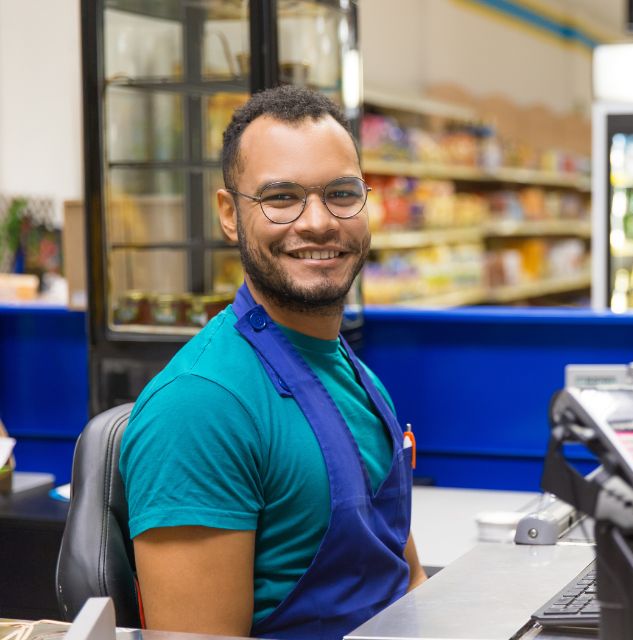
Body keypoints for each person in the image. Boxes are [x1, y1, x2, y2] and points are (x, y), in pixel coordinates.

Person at [120, 85, 427, 640]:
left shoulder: (353, 373)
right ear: (230, 215)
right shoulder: (200, 407)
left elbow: (405, 578)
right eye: (281, 197)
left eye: (341, 192)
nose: (318, 222)